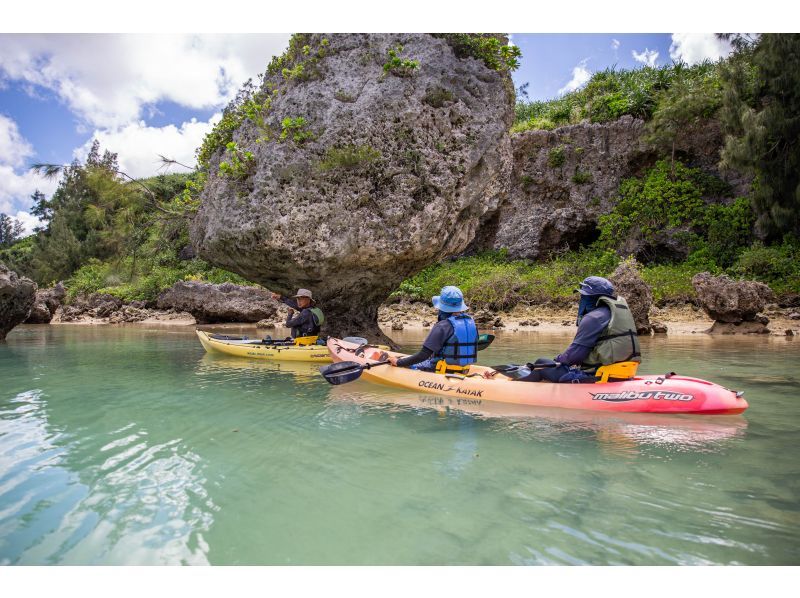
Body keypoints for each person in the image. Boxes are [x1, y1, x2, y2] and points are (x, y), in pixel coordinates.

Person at [486, 276, 641, 382]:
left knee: (540, 363)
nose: (581, 299)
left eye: (583, 296)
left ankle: (512, 387)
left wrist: (558, 360)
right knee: (548, 365)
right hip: (626, 372)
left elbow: (574, 356)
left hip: (599, 376)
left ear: (590, 297)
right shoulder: (615, 313)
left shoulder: (593, 318)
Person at [387, 285, 478, 372]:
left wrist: (398, 362)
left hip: (440, 369)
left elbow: (423, 355)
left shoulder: (442, 326)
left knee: (404, 362)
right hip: (464, 369)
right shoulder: (471, 323)